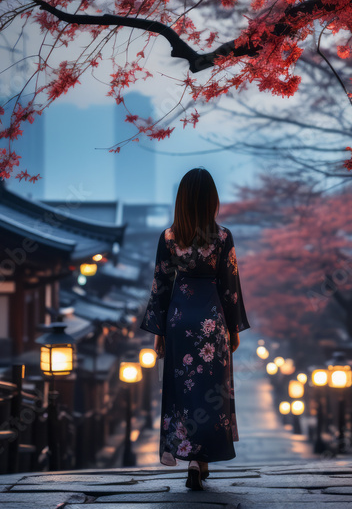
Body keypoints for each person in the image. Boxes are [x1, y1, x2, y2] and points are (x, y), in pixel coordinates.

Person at [140, 167, 250, 490]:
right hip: (211, 322)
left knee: (182, 393)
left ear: (182, 201)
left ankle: (188, 455)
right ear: (212, 201)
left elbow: (160, 286)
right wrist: (233, 328)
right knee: (210, 393)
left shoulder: (169, 238)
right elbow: (230, 287)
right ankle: (200, 461)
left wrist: (159, 333)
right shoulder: (223, 237)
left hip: (178, 321)